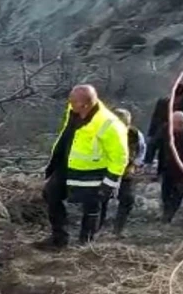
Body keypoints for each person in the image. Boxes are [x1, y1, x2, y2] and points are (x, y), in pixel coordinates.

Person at [37, 84, 129, 250]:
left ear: (85, 104)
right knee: (50, 194)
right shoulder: (74, 111)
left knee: (92, 208)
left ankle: (86, 245)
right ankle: (59, 238)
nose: (70, 104)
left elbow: (120, 156)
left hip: (93, 174)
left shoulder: (109, 124)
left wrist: (110, 182)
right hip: (66, 167)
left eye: (73, 102)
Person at [145, 111, 183, 223]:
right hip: (168, 167)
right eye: (174, 123)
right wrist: (148, 162)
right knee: (166, 192)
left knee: (178, 193)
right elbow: (153, 145)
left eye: (180, 123)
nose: (176, 126)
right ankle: (166, 212)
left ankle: (168, 216)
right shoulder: (165, 130)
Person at [99, 108, 146, 237]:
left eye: (125, 123)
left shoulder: (135, 134)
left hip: (125, 171)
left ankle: (118, 230)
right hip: (106, 171)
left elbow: (141, 151)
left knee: (127, 199)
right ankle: (96, 229)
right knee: (101, 200)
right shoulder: (103, 132)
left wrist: (135, 165)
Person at [146, 83, 183, 164]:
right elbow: (155, 119)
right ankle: (150, 164)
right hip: (165, 132)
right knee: (158, 148)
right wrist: (152, 134)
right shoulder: (162, 103)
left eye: (177, 97)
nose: (175, 100)